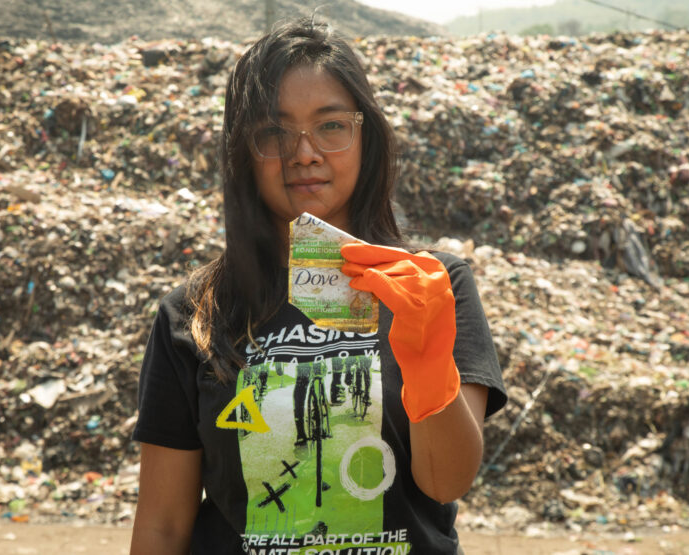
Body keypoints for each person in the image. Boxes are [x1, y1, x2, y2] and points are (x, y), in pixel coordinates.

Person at [130, 17, 507, 554]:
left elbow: (446, 482)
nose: (304, 152)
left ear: (365, 137)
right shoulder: (192, 314)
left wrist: (427, 363)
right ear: (244, 152)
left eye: (331, 125)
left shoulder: (432, 287)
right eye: (274, 132)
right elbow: (163, 526)